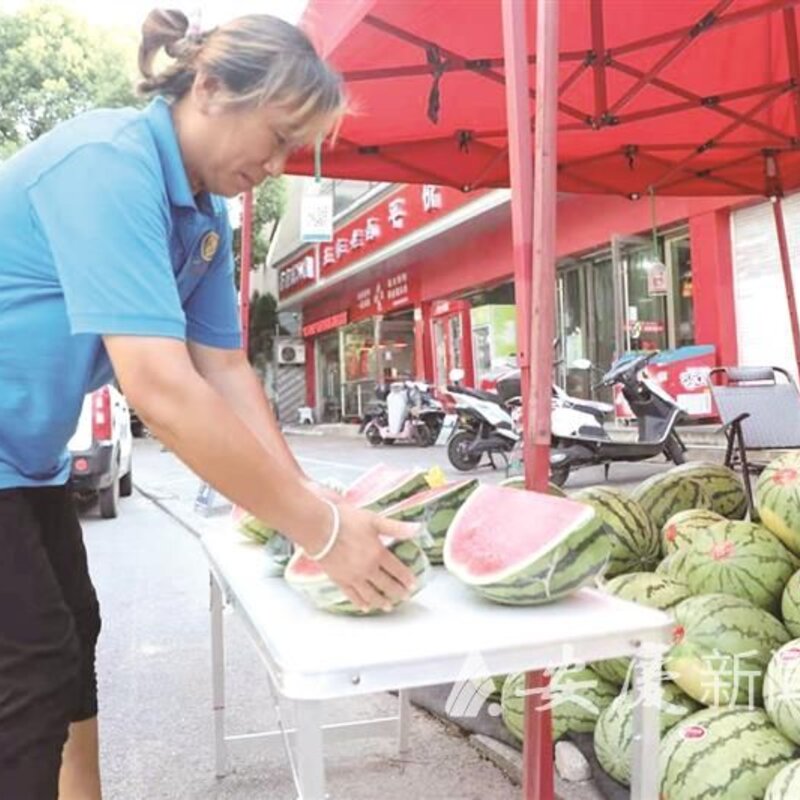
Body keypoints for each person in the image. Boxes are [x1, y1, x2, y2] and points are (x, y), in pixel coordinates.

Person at [0, 9, 417, 799]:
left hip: (27, 457)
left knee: (74, 630)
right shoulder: (109, 163)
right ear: (215, 87)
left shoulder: (205, 217)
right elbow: (160, 387)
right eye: (279, 134)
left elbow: (224, 368)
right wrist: (318, 529)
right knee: (27, 663)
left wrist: (303, 496)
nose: (280, 162)